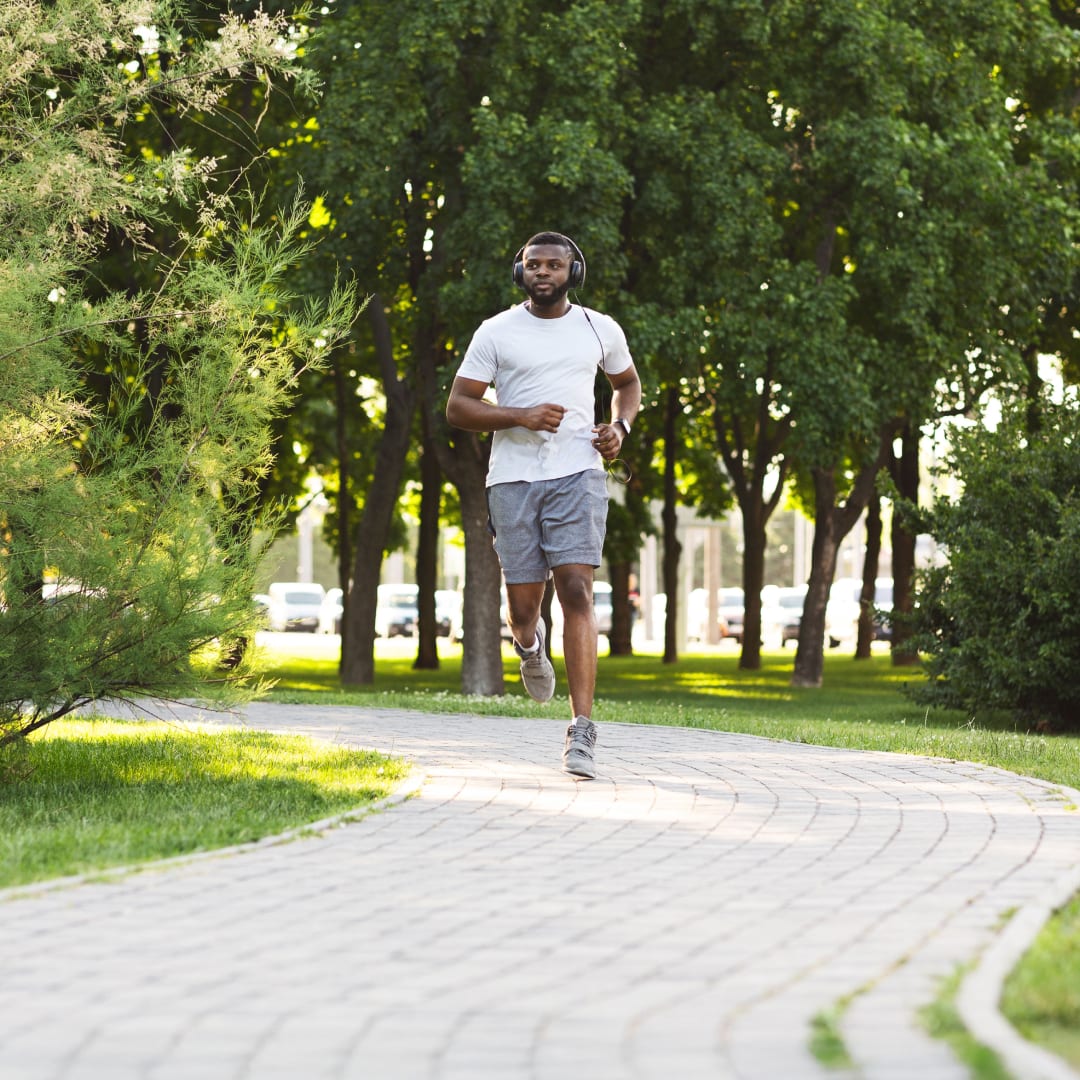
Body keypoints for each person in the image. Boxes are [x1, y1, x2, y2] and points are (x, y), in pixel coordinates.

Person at [446, 232, 642, 780]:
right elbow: (458, 407)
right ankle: (531, 648)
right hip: (512, 480)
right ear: (520, 271)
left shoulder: (599, 328)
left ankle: (581, 730)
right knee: (525, 606)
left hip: (578, 472)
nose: (543, 273)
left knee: (577, 589)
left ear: (572, 272)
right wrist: (520, 415)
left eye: (554, 265)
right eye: (534, 265)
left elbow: (627, 384)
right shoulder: (496, 331)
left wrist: (619, 427)